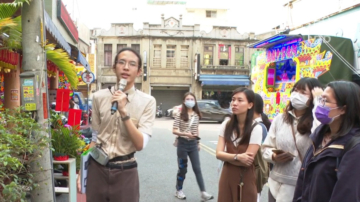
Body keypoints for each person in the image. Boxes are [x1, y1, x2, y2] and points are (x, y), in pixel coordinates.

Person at [77, 47, 156, 202]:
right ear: (114, 67)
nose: (126, 67)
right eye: (122, 62)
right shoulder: (99, 97)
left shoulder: (147, 102)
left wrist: (124, 112)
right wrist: (82, 170)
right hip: (97, 169)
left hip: (125, 171)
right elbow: (94, 138)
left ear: (139, 71)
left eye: (132, 64)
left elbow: (140, 144)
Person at [293, 81, 360, 202]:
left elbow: (346, 194)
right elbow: (303, 183)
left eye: (325, 100)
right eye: (320, 99)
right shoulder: (318, 137)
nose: (320, 104)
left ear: (343, 109)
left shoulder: (354, 146)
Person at [261, 77, 322, 202]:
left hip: (300, 186)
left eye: (303, 92)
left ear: (313, 97)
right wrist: (273, 156)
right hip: (275, 183)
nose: (296, 95)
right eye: (295, 90)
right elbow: (265, 148)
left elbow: (319, 137)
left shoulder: (317, 121)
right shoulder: (280, 119)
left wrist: (319, 103)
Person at [216, 87, 264, 202]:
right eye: (233, 100)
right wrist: (237, 157)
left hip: (246, 177)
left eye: (240, 100)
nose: (234, 103)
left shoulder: (256, 128)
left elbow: (247, 161)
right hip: (226, 176)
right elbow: (218, 154)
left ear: (250, 105)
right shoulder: (226, 125)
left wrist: (227, 157)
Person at [173, 92, 213, 201]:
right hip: (182, 144)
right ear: (184, 101)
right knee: (183, 169)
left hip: (193, 145)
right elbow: (174, 130)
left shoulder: (196, 115)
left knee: (197, 168)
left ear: (194, 101)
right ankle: (179, 190)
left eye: (192, 99)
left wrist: (198, 142)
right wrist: (186, 134)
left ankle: (203, 192)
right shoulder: (179, 114)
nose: (190, 101)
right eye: (188, 99)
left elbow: (196, 129)